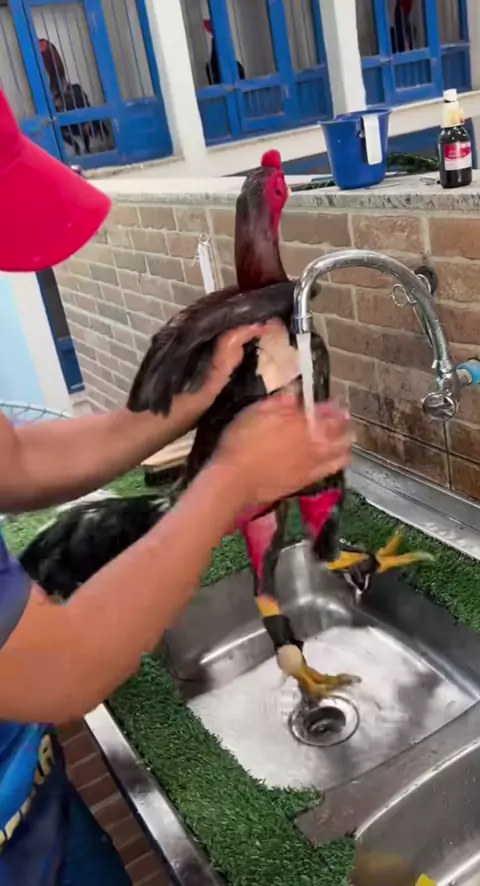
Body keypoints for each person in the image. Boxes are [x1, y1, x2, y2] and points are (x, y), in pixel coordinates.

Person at [0, 88, 353, 885]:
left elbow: (11, 460)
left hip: (37, 801)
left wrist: (178, 408)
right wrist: (228, 480)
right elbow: (55, 673)